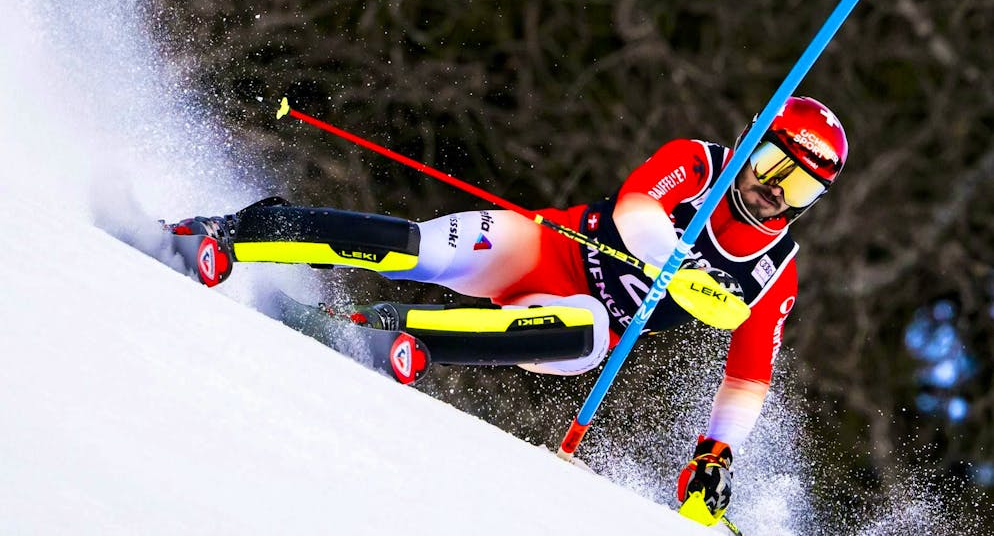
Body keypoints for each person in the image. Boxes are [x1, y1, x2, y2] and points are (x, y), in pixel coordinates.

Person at [168, 96, 847, 524]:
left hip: (569, 319)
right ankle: (241, 231)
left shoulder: (773, 273)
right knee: (418, 248)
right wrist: (675, 260)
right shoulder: (700, 165)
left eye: (800, 188)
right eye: (770, 164)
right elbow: (639, 205)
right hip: (543, 247)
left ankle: (397, 334)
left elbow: (749, 375)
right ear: (752, 140)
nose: (773, 191)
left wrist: (717, 451)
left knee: (589, 333)